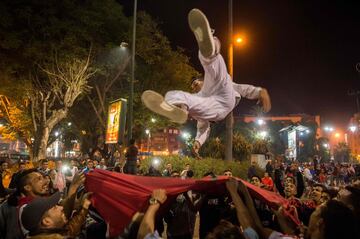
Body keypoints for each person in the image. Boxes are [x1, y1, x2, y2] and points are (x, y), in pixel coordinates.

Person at [141, 9, 271, 157]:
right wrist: (197, 143)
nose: (194, 86)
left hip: (224, 96)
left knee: (215, 65)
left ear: (202, 80)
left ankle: (210, 46)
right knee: (176, 94)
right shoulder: (198, 97)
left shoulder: (215, 80)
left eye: (196, 83)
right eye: (193, 86)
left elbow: (242, 89)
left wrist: (259, 92)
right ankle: (175, 108)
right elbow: (203, 129)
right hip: (214, 109)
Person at [20, 191, 91, 238]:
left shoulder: (51, 233)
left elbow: (69, 231)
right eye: (54, 207)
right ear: (47, 221)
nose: (61, 207)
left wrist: (84, 208)